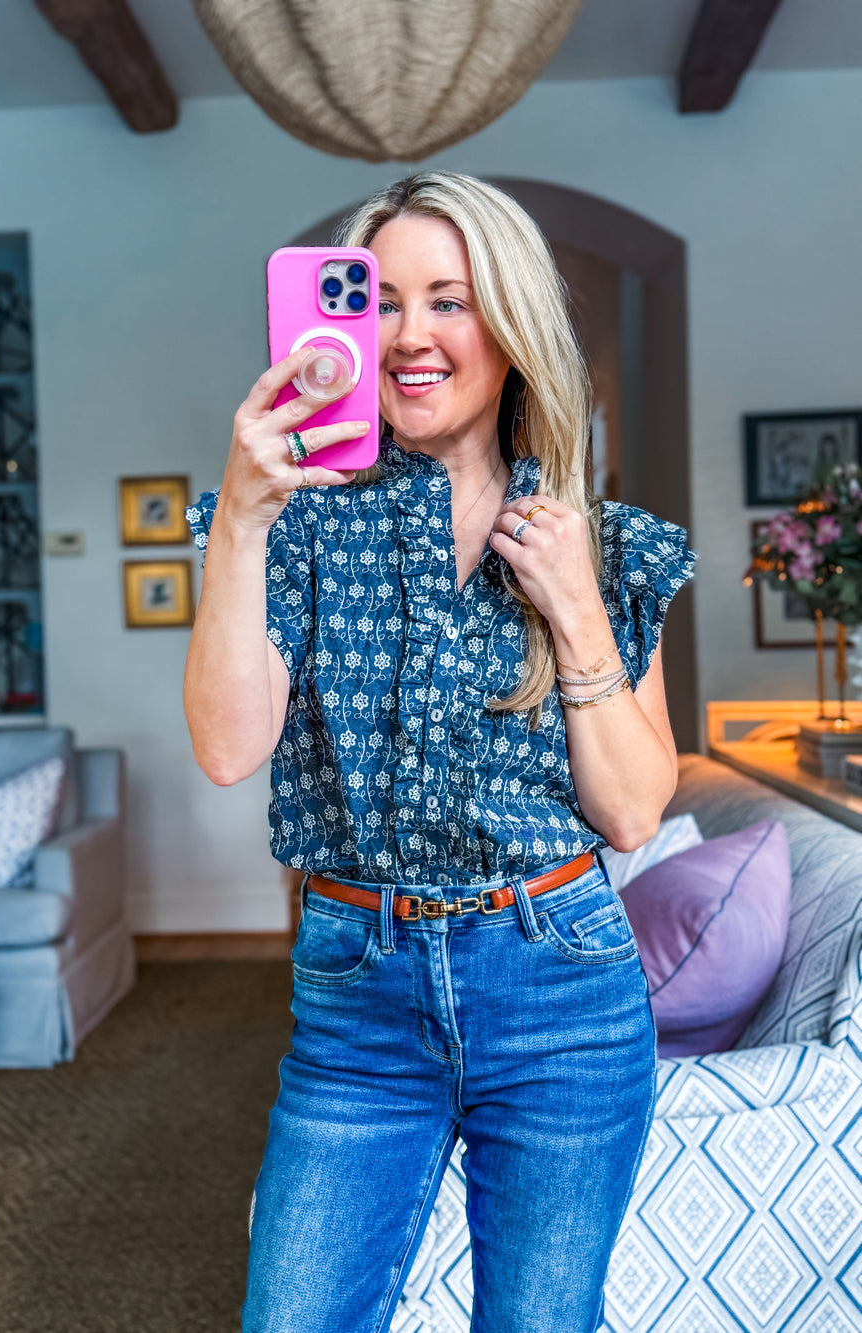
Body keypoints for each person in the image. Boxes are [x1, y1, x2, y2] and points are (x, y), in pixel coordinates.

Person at [183, 171, 697, 1333]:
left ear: (510, 330)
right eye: (376, 299)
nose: (409, 335)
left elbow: (630, 814)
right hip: (358, 995)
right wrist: (245, 515)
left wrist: (572, 609)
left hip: (561, 990)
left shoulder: (606, 547)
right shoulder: (292, 521)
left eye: (449, 301)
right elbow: (225, 747)